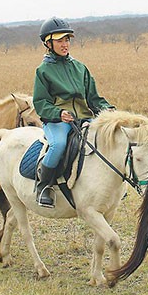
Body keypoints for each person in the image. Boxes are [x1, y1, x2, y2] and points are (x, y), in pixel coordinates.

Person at [33, 16, 115, 207]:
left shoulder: (80, 68)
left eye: (67, 40)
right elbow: (40, 102)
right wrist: (58, 113)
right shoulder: (43, 70)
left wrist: (108, 109)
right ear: (48, 43)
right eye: (60, 40)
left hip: (84, 118)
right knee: (58, 145)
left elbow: (93, 98)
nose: (65, 44)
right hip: (58, 122)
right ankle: (43, 185)